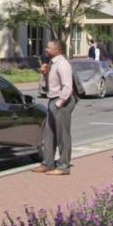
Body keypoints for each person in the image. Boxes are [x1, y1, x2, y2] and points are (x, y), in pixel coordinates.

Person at [32, 39, 76, 176]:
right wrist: (44, 74)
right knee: (48, 133)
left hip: (61, 101)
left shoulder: (62, 64)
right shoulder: (52, 63)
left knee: (63, 135)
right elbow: (48, 86)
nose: (46, 49)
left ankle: (64, 166)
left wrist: (59, 103)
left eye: (48, 47)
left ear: (57, 50)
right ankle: (48, 163)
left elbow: (67, 86)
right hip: (53, 100)